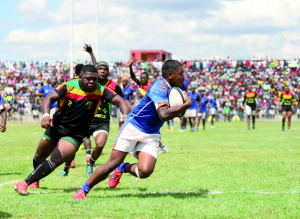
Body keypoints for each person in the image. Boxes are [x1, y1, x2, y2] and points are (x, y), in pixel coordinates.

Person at [73, 60, 192, 200]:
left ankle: (123, 168)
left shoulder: (180, 83)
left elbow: (175, 108)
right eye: (181, 73)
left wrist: (181, 107)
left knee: (145, 171)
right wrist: (187, 104)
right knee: (112, 163)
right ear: (170, 75)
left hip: (152, 132)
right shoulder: (158, 88)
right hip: (134, 126)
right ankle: (83, 190)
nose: (184, 76)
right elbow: (164, 114)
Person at [14, 65, 129, 196]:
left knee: (56, 160)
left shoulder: (101, 90)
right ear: (80, 77)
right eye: (88, 79)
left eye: (94, 79)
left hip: (76, 133)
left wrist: (125, 115)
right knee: (39, 156)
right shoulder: (69, 86)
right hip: (57, 126)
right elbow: (49, 98)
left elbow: (121, 101)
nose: (92, 82)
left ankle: (23, 183)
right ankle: (36, 179)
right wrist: (46, 115)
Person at [59, 45, 130, 177]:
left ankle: (91, 162)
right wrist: (91, 53)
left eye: (105, 69)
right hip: (84, 119)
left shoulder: (114, 86)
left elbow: (123, 101)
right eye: (100, 69)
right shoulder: (89, 84)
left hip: (102, 120)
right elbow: (95, 65)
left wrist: (129, 114)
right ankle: (66, 168)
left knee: (100, 143)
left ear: (108, 72)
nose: (102, 71)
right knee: (72, 145)